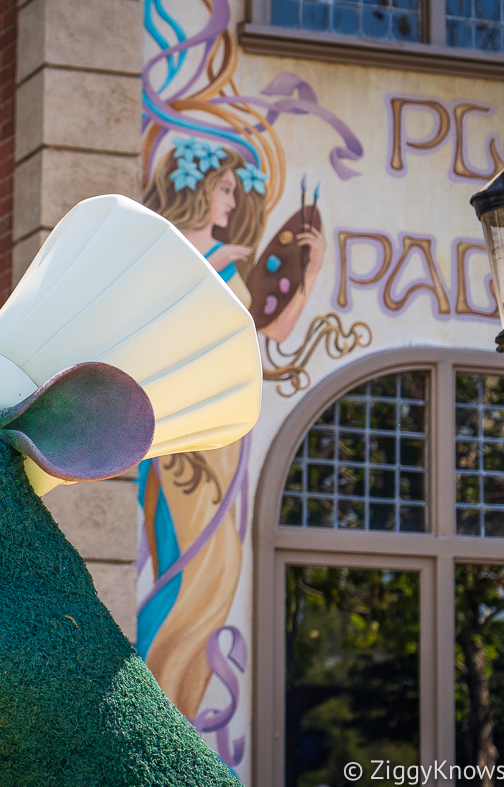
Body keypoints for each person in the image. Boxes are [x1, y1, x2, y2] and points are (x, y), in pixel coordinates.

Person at [135, 137, 327, 723]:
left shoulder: (231, 255)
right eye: (223, 187)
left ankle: (178, 707)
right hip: (176, 433)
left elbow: (270, 326)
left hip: (221, 436)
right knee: (182, 558)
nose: (230, 199)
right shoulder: (162, 252)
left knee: (221, 563)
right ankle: (155, 698)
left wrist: (309, 269)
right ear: (197, 187)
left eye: (234, 191)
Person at [142, 138, 326, 342]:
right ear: (200, 190)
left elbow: (274, 331)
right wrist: (211, 267)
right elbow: (154, 313)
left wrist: (313, 267)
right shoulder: (162, 247)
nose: (233, 202)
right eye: (225, 189)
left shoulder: (223, 254)